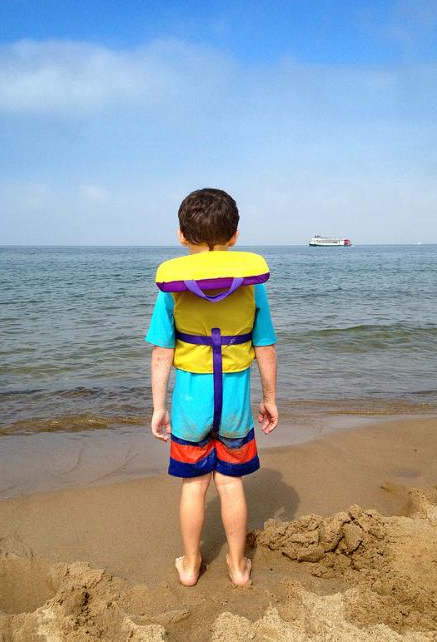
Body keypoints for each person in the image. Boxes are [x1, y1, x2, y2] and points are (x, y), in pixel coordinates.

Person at [145, 188, 278, 587]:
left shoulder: (173, 288)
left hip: (190, 401)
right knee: (230, 483)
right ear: (235, 235)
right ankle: (238, 568)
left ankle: (189, 566)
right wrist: (270, 398)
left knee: (194, 485)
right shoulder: (252, 285)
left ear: (181, 236)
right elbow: (265, 347)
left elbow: (161, 353)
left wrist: (158, 407)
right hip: (235, 399)